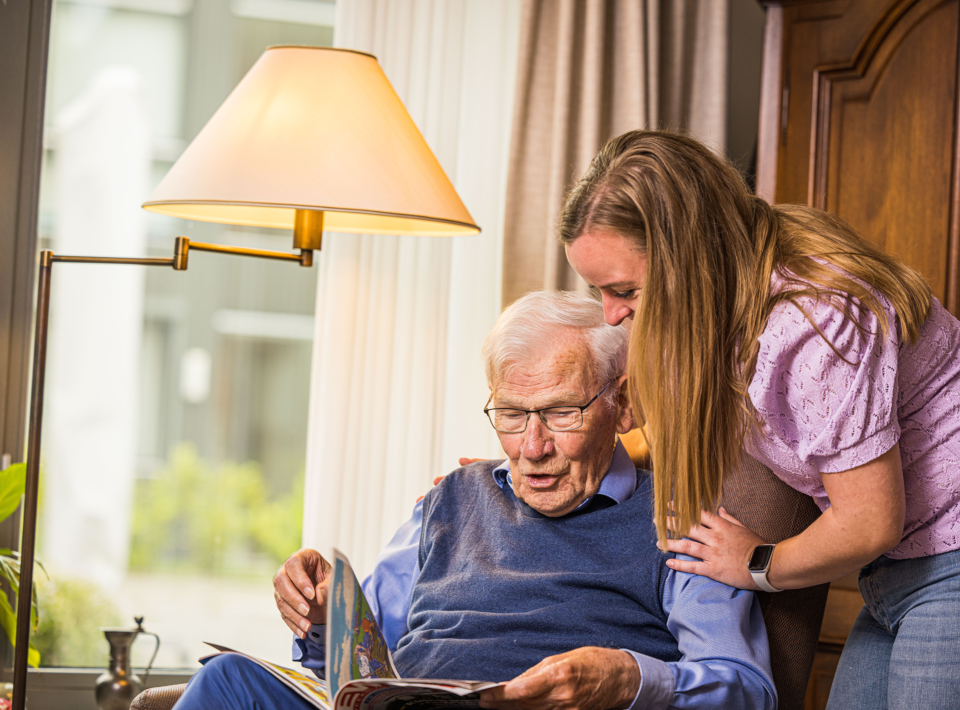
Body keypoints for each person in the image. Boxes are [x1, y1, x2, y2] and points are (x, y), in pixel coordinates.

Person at [175, 291, 776, 710]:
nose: (532, 447)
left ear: (620, 403)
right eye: (511, 415)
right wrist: (322, 617)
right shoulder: (450, 500)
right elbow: (353, 670)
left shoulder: (680, 525)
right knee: (230, 680)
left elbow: (748, 690)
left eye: (562, 413)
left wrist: (630, 681)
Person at [559, 129, 960, 710]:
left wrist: (754, 563)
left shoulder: (813, 321)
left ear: (689, 258)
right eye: (599, 291)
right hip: (893, 577)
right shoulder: (728, 290)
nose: (613, 313)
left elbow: (869, 523)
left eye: (624, 289)